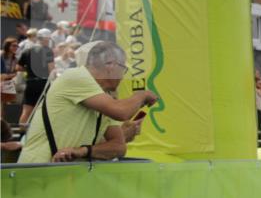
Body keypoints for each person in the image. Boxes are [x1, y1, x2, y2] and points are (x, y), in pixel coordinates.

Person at [17, 42, 157, 163]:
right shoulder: (76, 76)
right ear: (111, 66)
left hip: (59, 176)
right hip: (37, 171)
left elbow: (118, 147)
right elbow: (121, 112)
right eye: (123, 69)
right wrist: (142, 95)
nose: (122, 75)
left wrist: (83, 151)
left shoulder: (104, 97)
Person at [18, 28, 55, 124]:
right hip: (43, 84)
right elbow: (52, 70)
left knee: (26, 111)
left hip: (30, 83)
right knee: (44, 112)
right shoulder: (47, 50)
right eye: (48, 39)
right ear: (45, 39)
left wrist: (29, 70)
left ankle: (22, 134)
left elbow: (18, 67)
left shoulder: (27, 50)